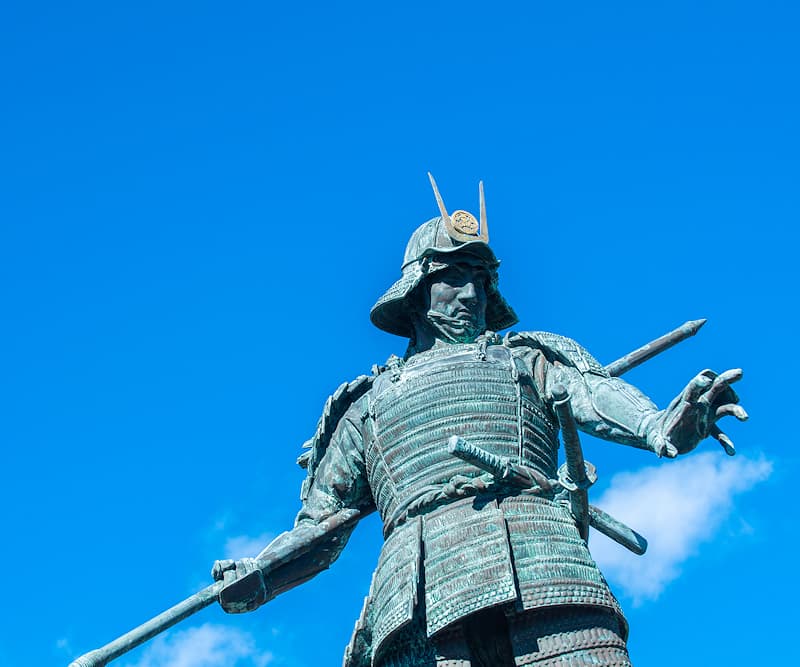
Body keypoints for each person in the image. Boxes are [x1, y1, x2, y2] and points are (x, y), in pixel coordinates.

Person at [211, 176, 746, 667]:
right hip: (417, 593)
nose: (471, 295)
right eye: (453, 279)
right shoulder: (367, 406)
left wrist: (665, 426)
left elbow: (592, 394)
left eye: (481, 281)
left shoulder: (526, 360)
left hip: (546, 566)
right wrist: (260, 575)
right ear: (418, 291)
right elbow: (322, 527)